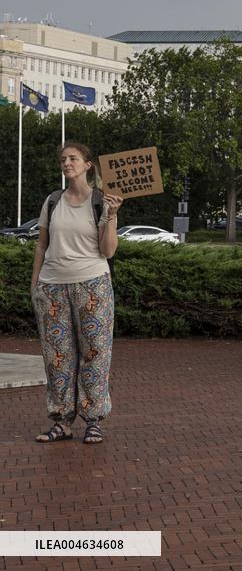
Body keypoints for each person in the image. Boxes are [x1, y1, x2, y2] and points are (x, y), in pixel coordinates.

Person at [31, 143, 123, 445]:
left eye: (72, 158)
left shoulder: (102, 201)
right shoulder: (53, 201)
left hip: (93, 284)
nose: (66, 163)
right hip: (52, 287)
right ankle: (61, 421)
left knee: (95, 353)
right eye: (63, 159)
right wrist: (35, 286)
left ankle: (93, 420)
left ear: (88, 165)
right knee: (57, 357)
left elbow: (108, 250)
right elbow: (42, 245)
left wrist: (111, 215)